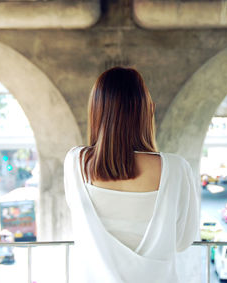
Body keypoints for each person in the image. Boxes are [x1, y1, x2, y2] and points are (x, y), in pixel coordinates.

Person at [64, 67, 200, 283]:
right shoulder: (176, 168)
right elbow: (182, 241)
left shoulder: (76, 163)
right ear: (147, 112)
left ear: (96, 112)